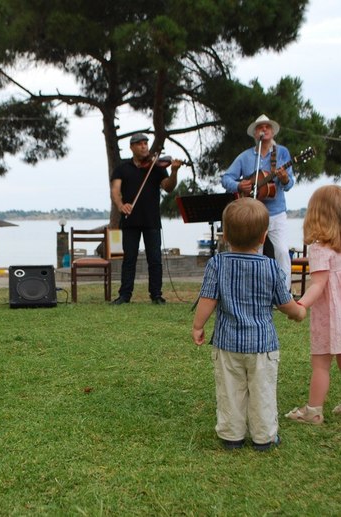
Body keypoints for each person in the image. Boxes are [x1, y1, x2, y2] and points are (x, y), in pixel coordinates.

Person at [192, 197, 305, 451]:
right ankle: (264, 437)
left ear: (225, 236)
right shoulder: (271, 267)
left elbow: (208, 299)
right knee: (262, 390)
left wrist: (198, 326)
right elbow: (285, 303)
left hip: (227, 344)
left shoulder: (217, 264)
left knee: (230, 390)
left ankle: (232, 435)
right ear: (264, 237)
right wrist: (298, 312)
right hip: (263, 346)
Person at [285, 185, 341, 424]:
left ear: (316, 215)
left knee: (321, 365)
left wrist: (301, 305)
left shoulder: (319, 249)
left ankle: (313, 411)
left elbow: (318, 284)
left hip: (329, 316)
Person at [221, 114, 295, 291]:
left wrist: (284, 179)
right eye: (260, 127)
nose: (264, 129)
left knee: (282, 251)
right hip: (253, 213)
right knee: (255, 252)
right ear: (255, 133)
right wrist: (239, 185)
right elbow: (226, 178)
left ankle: (284, 293)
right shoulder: (245, 156)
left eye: (267, 127)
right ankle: (254, 291)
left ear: (272, 132)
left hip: (276, 212)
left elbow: (289, 184)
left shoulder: (282, 153)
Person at [110, 133, 181, 305]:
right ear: (132, 147)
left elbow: (168, 187)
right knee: (129, 259)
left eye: (145, 143)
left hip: (151, 220)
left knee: (155, 259)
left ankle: (156, 295)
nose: (144, 146)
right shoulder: (122, 168)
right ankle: (125, 295)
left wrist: (174, 171)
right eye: (140, 144)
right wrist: (121, 206)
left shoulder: (156, 167)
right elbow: (115, 191)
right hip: (130, 220)